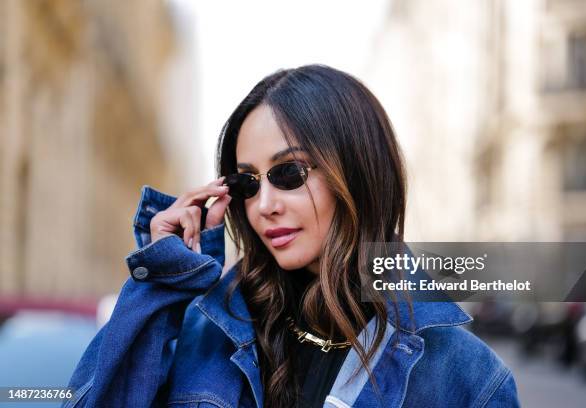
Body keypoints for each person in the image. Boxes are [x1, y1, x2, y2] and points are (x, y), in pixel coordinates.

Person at [63, 64, 520, 408]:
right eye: (247, 182)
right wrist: (163, 278)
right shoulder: (206, 335)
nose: (264, 205)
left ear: (357, 171)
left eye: (288, 173)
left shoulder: (467, 377)